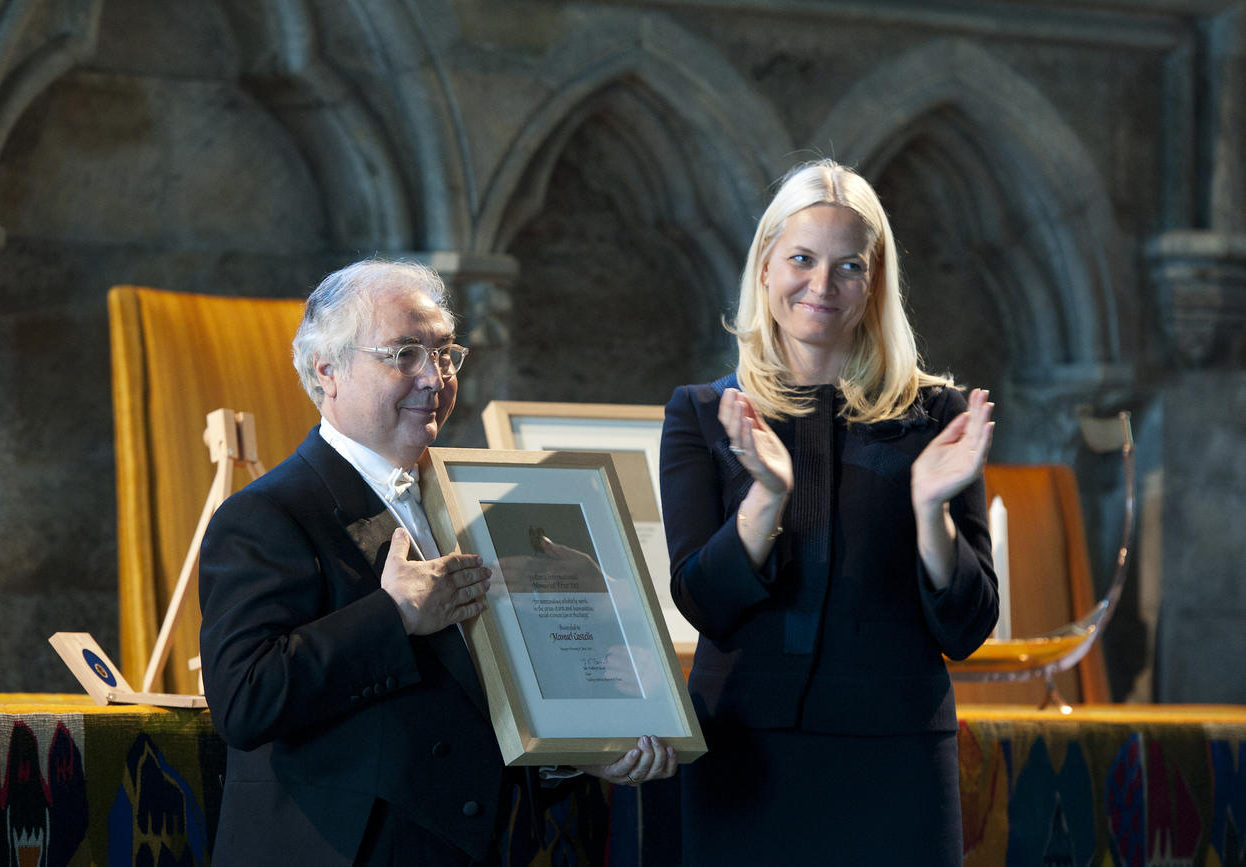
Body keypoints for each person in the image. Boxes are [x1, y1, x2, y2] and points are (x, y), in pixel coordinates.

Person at [199, 259, 676, 866]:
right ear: (328, 371)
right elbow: (244, 701)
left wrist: (577, 751)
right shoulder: (267, 514)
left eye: (445, 352)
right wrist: (392, 616)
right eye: (403, 354)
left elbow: (481, 699)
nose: (434, 377)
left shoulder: (471, 502)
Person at [659, 160, 998, 865]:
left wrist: (930, 507)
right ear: (764, 265)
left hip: (896, 759)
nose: (822, 285)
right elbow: (703, 602)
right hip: (744, 757)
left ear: (873, 282)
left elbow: (966, 625)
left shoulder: (936, 414)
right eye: (802, 259)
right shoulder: (700, 412)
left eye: (849, 265)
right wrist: (766, 498)